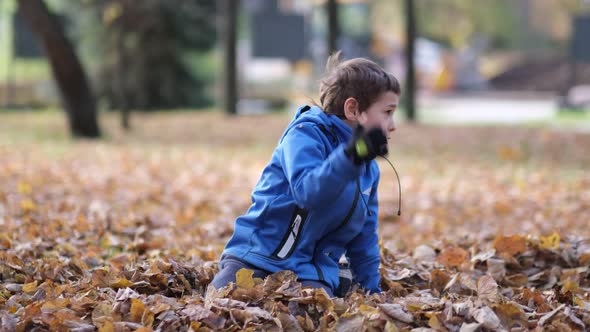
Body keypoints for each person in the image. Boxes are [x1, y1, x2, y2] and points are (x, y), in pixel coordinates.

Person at [210, 53, 401, 297]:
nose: (392, 124)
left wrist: (371, 292)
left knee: (312, 317)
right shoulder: (305, 134)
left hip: (310, 274)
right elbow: (308, 191)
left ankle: (340, 280)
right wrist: (354, 155)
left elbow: (364, 239)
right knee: (221, 305)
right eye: (387, 112)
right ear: (353, 109)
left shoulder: (368, 170)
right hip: (256, 259)